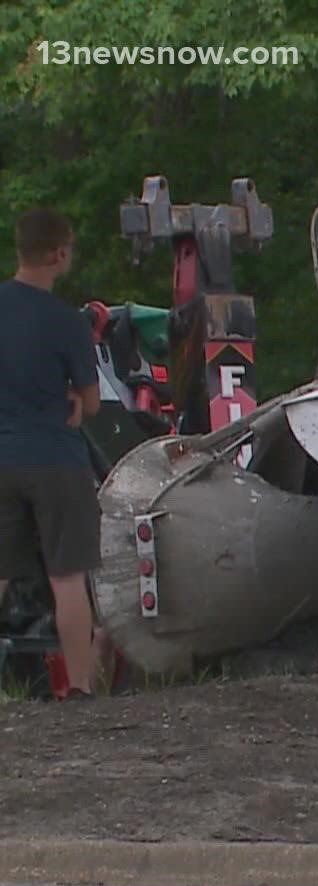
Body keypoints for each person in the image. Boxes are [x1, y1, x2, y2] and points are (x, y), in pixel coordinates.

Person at [0, 208, 103, 699]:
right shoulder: (67, 323)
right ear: (59, 253)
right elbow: (92, 401)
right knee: (68, 577)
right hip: (57, 461)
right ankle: (80, 687)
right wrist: (73, 403)